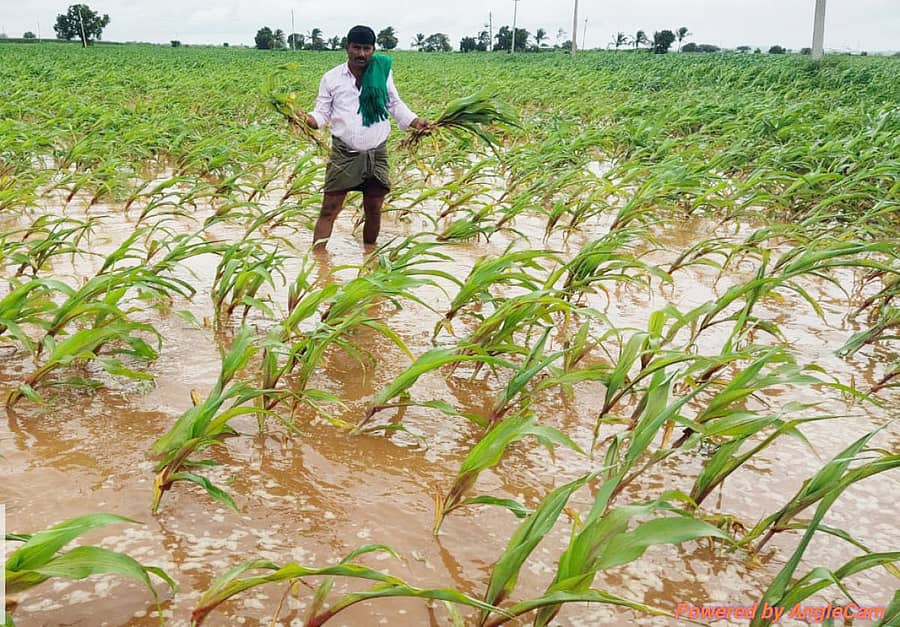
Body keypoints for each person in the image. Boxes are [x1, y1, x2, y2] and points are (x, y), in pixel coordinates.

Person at [302, 25, 428, 250]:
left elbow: (394, 103)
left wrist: (415, 121)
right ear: (347, 47)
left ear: (373, 49)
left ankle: (369, 257)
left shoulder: (382, 72)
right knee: (329, 208)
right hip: (343, 153)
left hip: (376, 152)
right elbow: (321, 113)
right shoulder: (331, 78)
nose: (361, 54)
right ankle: (318, 261)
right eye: (356, 48)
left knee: (374, 210)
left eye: (366, 48)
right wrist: (307, 120)